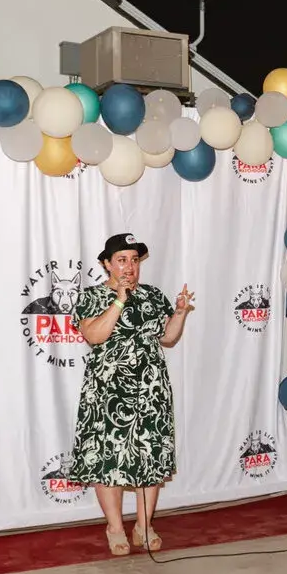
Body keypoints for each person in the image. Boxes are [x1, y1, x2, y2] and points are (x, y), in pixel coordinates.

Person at [70, 233, 195, 556]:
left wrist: (180, 312)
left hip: (151, 391)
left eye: (134, 260)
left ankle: (144, 525)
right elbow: (95, 335)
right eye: (122, 260)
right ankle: (115, 527)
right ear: (106, 264)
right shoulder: (92, 296)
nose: (129, 266)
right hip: (108, 393)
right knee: (107, 459)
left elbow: (167, 338)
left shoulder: (153, 295)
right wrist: (119, 301)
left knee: (150, 457)